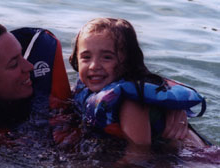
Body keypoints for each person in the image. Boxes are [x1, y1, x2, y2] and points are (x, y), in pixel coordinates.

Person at [68, 18, 208, 148]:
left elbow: (139, 156)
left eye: (107, 57)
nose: (94, 66)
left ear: (128, 62)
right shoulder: (87, 89)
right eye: (86, 57)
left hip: (197, 159)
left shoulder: (131, 103)